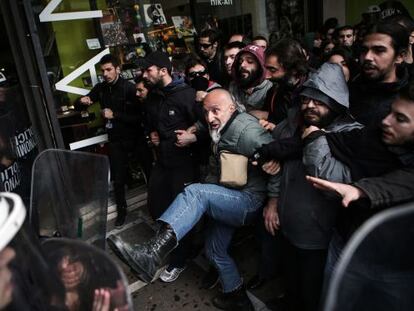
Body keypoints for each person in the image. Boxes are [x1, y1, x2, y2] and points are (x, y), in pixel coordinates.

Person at [108, 89, 280, 310]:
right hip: (227, 194)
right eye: (206, 111)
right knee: (214, 250)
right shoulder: (217, 124)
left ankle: (152, 253)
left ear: (232, 108)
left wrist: (273, 203)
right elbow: (205, 126)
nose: (210, 117)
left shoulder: (248, 131)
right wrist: (195, 129)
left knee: (196, 192)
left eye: (215, 111)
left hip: (248, 201)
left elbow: (278, 163)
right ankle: (237, 296)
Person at [256, 63, 362, 311]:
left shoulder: (350, 134)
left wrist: (314, 138)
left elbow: (332, 181)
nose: (310, 106)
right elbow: (272, 149)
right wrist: (272, 174)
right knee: (291, 280)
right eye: (306, 100)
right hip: (288, 225)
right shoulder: (294, 125)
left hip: (319, 235)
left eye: (321, 100)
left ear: (336, 102)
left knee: (313, 291)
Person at [302, 78, 414, 278]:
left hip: (393, 263)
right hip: (347, 238)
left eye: (401, 118)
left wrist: (361, 190)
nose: (386, 121)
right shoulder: (370, 136)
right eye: (390, 112)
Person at [139, 51, 199, 283]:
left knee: (179, 214)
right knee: (156, 206)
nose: (144, 75)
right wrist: (151, 135)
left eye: (148, 70)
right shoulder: (153, 97)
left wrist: (193, 137)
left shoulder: (188, 96)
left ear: (163, 70)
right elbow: (150, 124)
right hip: (162, 162)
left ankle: (179, 260)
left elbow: (205, 125)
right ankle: (176, 245)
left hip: (184, 164)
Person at [78, 54, 139, 227]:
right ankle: (122, 212)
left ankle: (156, 205)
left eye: (108, 69)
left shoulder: (129, 88)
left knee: (148, 172)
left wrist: (115, 115)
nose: (105, 73)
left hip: (134, 138)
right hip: (115, 140)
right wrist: (82, 101)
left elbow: (138, 118)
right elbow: (82, 103)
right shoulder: (101, 88)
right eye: (102, 70)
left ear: (118, 69)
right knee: (118, 179)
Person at [350, 21, 409, 127]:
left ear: (400, 56)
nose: (367, 57)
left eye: (379, 50)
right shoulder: (348, 90)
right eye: (364, 50)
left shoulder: (407, 100)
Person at [262, 38, 309, 126]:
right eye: (266, 68)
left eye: (272, 70)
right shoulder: (273, 93)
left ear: (293, 70)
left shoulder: (314, 91)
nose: (266, 76)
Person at [229, 44, 273, 116]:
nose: (242, 65)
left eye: (250, 61)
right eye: (240, 61)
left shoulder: (270, 89)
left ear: (261, 66)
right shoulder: (233, 87)